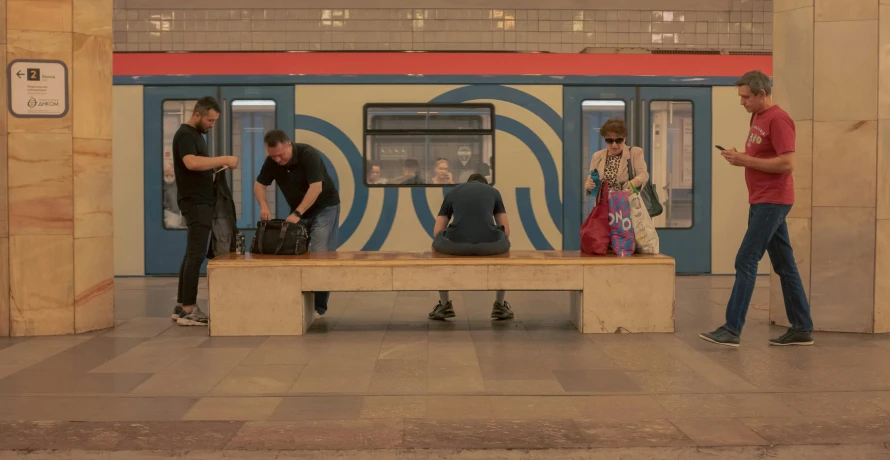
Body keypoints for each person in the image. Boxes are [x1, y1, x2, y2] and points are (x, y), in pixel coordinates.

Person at [700, 70, 814, 347]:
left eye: (746, 97)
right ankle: (801, 327)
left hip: (773, 200)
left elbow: (787, 164)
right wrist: (740, 156)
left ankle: (731, 329)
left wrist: (744, 161)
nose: (742, 102)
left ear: (762, 94)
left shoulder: (779, 119)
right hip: (760, 198)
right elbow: (761, 155)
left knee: (746, 259)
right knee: (784, 264)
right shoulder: (758, 117)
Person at [254, 130, 341, 316]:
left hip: (324, 207)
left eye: (280, 154)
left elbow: (316, 187)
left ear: (288, 145)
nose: (277, 159)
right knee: (294, 252)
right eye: (272, 155)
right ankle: (296, 301)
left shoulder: (308, 154)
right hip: (299, 210)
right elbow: (259, 184)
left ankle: (318, 307)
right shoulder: (272, 162)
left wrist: (297, 213)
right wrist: (263, 205)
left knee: (320, 253)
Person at [171, 97, 240, 326]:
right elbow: (190, 163)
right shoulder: (186, 135)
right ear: (198, 115)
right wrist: (224, 159)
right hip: (197, 203)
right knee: (196, 255)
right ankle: (190, 309)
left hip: (200, 201)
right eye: (210, 120)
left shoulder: (195, 136)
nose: (212, 125)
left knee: (191, 254)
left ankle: (182, 305)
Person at [429, 174, 513, 321]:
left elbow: (437, 231)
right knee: (504, 246)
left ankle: (444, 305)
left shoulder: (454, 191)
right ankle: (500, 305)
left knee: (436, 247)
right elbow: (506, 231)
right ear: (485, 184)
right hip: (490, 247)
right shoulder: (493, 192)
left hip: (456, 247)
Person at [585, 119, 649, 196]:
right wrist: (588, 186)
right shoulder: (597, 156)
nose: (614, 145)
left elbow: (644, 175)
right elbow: (591, 181)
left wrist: (632, 183)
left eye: (619, 140)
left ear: (624, 139)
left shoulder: (635, 152)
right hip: (604, 204)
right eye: (609, 140)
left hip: (627, 203)